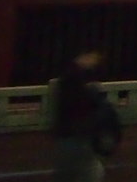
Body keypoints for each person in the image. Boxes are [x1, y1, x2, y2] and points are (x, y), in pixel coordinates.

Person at [50, 50, 106, 182]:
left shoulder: (71, 81)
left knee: (70, 171)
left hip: (72, 134)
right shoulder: (78, 82)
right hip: (78, 134)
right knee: (85, 170)